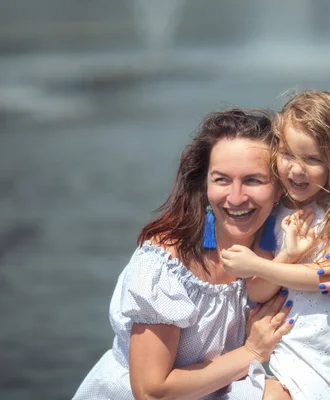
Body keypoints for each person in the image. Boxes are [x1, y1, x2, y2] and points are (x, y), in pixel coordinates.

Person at [72, 109, 309, 400]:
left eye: (253, 180)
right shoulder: (166, 264)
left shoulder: (284, 244)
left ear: (279, 189)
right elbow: (151, 392)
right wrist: (251, 351)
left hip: (214, 388)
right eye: (221, 180)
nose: (236, 197)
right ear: (204, 184)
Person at [221, 90, 330, 399]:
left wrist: (258, 265)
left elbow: (328, 278)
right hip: (293, 348)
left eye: (312, 159)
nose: (296, 169)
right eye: (288, 154)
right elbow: (256, 290)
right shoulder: (274, 215)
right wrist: (285, 257)